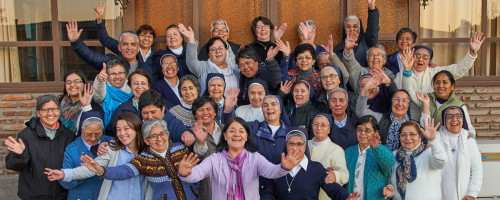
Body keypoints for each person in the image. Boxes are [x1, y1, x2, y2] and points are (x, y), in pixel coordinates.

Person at [178, 117, 302, 200]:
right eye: (232, 131)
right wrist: (185, 174)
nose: (236, 134)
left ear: (246, 136)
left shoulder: (255, 158)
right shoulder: (214, 159)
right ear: (225, 136)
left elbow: (272, 171)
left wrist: (284, 167)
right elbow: (197, 173)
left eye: (241, 131)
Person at [79, 119, 202, 200]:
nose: (159, 139)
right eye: (153, 136)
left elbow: (199, 167)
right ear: (146, 141)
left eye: (162, 134)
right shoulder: (144, 159)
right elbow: (124, 171)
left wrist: (194, 190)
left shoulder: (180, 149)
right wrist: (101, 170)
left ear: (167, 134)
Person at [45, 112, 151, 200]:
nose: (122, 133)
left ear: (137, 129)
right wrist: (64, 174)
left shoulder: (148, 151)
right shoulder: (112, 148)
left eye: (126, 128)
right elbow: (91, 168)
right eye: (118, 129)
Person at [396, 32, 485, 120]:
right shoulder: (401, 75)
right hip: (409, 122)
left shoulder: (436, 72)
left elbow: (459, 69)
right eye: (417, 56)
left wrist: (473, 52)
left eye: (425, 57)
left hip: (432, 121)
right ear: (412, 57)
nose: (421, 59)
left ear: (429, 60)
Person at [5, 94, 76, 200]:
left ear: (59, 111)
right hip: (33, 196)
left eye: (54, 109)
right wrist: (20, 155)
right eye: (45, 110)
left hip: (61, 195)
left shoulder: (68, 136)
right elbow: (12, 165)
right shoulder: (25, 135)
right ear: (38, 113)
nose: (50, 113)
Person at [261, 128, 354, 200]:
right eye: (291, 144)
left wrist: (346, 198)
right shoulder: (276, 166)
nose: (295, 148)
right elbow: (267, 192)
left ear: (305, 146)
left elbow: (334, 189)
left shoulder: (316, 168)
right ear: (286, 145)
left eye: (299, 144)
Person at [66, 20, 155, 78]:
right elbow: (92, 57)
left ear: (138, 47)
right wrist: (76, 42)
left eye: (133, 44)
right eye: (125, 44)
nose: (129, 48)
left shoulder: (147, 67)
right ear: (119, 47)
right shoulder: (112, 62)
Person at [383, 119, 446, 200]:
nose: (408, 138)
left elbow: (441, 162)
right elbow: (391, 180)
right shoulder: (394, 155)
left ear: (420, 137)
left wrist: (432, 141)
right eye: (403, 135)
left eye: (412, 134)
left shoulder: (428, 153)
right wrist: (391, 189)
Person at [58, 116, 113, 200]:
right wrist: (82, 173)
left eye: (97, 134)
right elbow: (65, 183)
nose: (93, 138)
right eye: (88, 134)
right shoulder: (72, 149)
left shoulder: (111, 143)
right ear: (82, 130)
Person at [345, 115, 395, 200]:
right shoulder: (348, 151)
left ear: (376, 132)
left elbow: (389, 164)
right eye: (359, 129)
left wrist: (377, 148)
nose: (363, 133)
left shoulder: (383, 150)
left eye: (367, 130)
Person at [180, 23, 240, 94]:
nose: (218, 51)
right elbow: (191, 62)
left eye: (221, 48)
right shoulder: (203, 68)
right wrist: (191, 40)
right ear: (209, 54)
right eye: (213, 49)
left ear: (226, 51)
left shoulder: (235, 69)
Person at [437, 107, 482, 200]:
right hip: (440, 194)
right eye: (450, 116)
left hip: (463, 195)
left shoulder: (469, 141)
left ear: (463, 119)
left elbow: (477, 170)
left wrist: (471, 194)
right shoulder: (436, 139)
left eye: (458, 116)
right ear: (444, 120)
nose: (454, 119)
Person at [416, 71, 475, 135]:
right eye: (437, 82)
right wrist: (426, 105)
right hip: (428, 141)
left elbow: (470, 130)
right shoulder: (426, 99)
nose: (440, 86)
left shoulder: (459, 105)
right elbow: (423, 126)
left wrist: (470, 137)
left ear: (452, 86)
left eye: (445, 82)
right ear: (433, 86)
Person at [191, 96, 225, 200]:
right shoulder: (191, 134)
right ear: (195, 115)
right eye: (200, 110)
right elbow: (196, 159)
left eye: (209, 109)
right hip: (207, 187)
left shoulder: (226, 129)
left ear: (215, 112)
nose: (205, 113)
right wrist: (201, 143)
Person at [309, 113, 349, 199]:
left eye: (323, 125)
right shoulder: (304, 145)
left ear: (329, 129)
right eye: (316, 124)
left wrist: (335, 175)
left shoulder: (336, 150)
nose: (319, 128)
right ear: (312, 126)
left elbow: (345, 175)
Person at [106, 70, 152, 136]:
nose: (139, 87)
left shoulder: (158, 105)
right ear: (130, 86)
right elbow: (110, 133)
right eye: (135, 83)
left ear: (149, 86)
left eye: (143, 83)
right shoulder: (121, 110)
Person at [334, 0, 379, 67]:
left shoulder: (367, 41)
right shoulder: (338, 48)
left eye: (355, 26)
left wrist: (372, 8)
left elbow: (373, 29)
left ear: (359, 28)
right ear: (345, 29)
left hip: (364, 76)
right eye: (348, 27)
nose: (351, 29)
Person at [93, 58, 133, 127]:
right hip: (110, 130)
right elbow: (98, 97)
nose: (117, 77)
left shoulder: (132, 87)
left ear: (126, 74)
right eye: (113, 74)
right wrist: (100, 82)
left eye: (120, 73)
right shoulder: (103, 87)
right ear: (107, 76)